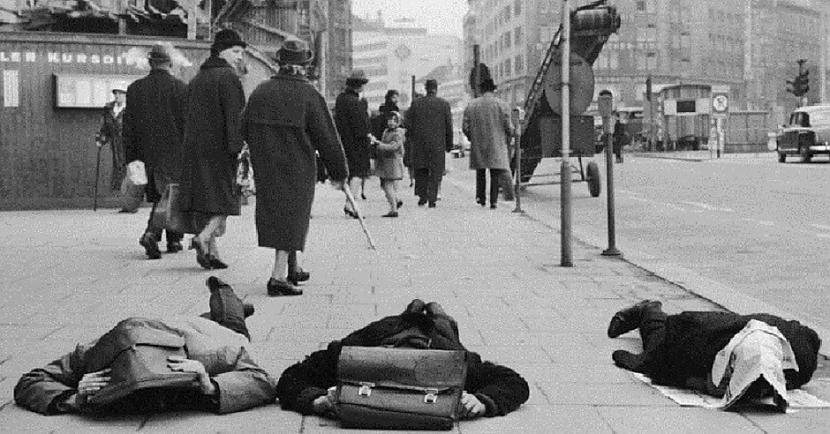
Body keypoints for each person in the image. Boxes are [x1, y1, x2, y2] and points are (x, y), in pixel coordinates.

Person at [14, 277, 276, 415]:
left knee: (231, 318)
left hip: (212, 331)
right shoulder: (94, 355)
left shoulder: (209, 352)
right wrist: (73, 399)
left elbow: (265, 381)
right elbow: (29, 382)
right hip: (159, 327)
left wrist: (211, 386)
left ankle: (225, 292)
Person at [275, 299, 529, 420]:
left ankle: (432, 312)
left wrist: (482, 401)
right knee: (431, 318)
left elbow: (514, 382)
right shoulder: (356, 349)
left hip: (435, 335)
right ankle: (421, 310)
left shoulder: (450, 356)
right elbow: (291, 377)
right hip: (392, 328)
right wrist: (316, 400)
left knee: (443, 323)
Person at [242, 39, 349, 297]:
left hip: (266, 166)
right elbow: (327, 137)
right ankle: (277, 277)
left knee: (279, 213)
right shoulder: (309, 95)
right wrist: (339, 172)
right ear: (303, 67)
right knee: (292, 217)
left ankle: (293, 266)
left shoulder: (261, 91)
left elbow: (243, 127)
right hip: (297, 166)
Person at [608, 300, 821, 411]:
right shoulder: (693, 342)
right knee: (657, 334)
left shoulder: (800, 359)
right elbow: (654, 364)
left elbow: (811, 338)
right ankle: (649, 308)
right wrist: (697, 382)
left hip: (750, 328)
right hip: (688, 330)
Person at [180, 29, 247, 270]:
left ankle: (211, 254)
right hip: (220, 149)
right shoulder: (228, 77)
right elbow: (235, 116)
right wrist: (237, 148)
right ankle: (203, 237)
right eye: (236, 51)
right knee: (227, 199)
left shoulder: (198, 78)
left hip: (194, 149)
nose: (240, 56)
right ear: (221, 51)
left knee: (205, 200)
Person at [123, 43, 188, 259]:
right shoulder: (180, 88)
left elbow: (128, 127)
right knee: (170, 195)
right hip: (174, 152)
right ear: (169, 63)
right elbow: (187, 124)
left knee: (162, 195)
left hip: (145, 152)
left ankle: (173, 239)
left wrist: (131, 157)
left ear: (150, 63)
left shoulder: (135, 89)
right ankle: (152, 233)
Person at [463, 78, 516, 209]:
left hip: (479, 143)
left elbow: (465, 126)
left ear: (481, 90)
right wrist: (510, 134)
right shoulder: (502, 105)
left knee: (480, 171)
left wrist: (472, 137)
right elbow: (508, 126)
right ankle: (493, 201)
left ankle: (481, 197)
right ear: (493, 90)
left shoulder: (472, 105)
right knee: (495, 173)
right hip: (496, 143)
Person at [404, 79, 453, 208]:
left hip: (420, 142)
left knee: (421, 169)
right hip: (438, 143)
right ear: (436, 89)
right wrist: (449, 144)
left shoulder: (416, 104)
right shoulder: (444, 104)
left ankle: (422, 195)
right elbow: (449, 125)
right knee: (436, 171)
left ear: (426, 89)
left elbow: (407, 122)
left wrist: (412, 135)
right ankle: (432, 198)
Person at [334, 70, 371, 219]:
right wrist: (368, 136)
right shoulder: (355, 102)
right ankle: (351, 205)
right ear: (359, 86)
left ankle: (351, 203)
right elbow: (361, 125)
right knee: (358, 173)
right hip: (357, 143)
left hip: (344, 141)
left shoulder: (341, 99)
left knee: (351, 173)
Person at [96, 87, 135, 213]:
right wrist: (101, 139)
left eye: (120, 93)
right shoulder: (109, 109)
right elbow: (105, 127)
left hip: (130, 145)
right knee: (119, 172)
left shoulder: (132, 109)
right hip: (116, 145)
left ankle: (131, 203)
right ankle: (126, 202)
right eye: (115, 93)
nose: (117, 96)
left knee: (130, 173)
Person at [370, 111, 405, 217]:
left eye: (394, 120)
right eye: (389, 120)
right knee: (384, 184)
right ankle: (395, 201)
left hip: (392, 162)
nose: (391, 122)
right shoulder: (386, 131)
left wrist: (378, 144)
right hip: (385, 162)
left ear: (398, 122)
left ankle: (394, 208)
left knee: (388, 185)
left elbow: (393, 147)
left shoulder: (397, 134)